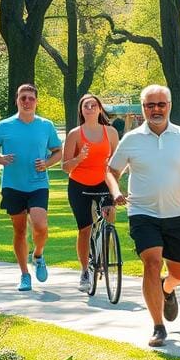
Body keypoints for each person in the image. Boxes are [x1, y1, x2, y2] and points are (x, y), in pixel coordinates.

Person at [106, 84, 180, 348]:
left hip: (178, 213)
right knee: (151, 263)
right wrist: (115, 191)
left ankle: (168, 288)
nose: (156, 109)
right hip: (142, 212)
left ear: (169, 106)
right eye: (150, 105)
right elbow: (111, 171)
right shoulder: (132, 139)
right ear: (143, 108)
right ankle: (158, 326)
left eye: (160, 104)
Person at [0, 84, 62, 292]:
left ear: (36, 101)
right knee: (19, 230)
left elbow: (58, 151)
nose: (27, 102)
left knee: (40, 225)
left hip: (38, 183)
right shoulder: (4, 125)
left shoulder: (46, 125)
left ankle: (38, 255)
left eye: (31, 98)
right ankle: (24, 275)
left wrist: (47, 163)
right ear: (17, 100)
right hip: (13, 185)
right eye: (23, 98)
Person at [62, 94, 120, 293]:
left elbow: (118, 161)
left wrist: (116, 184)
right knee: (85, 229)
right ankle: (85, 270)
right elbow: (65, 166)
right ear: (81, 110)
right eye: (86, 105)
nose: (90, 108)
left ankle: (104, 244)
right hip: (79, 185)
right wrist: (79, 158)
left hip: (103, 182)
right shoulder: (75, 134)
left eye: (93, 105)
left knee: (110, 214)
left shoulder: (110, 132)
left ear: (99, 109)